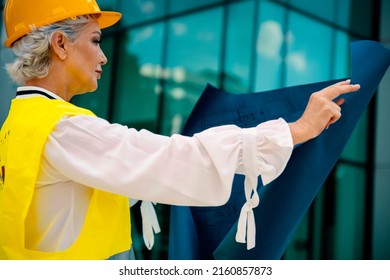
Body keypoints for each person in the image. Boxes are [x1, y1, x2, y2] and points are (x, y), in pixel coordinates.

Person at [0, 0, 360, 260]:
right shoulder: (65, 130)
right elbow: (175, 158)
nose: (103, 56)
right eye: (95, 40)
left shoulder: (20, 124)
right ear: (60, 44)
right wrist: (295, 130)